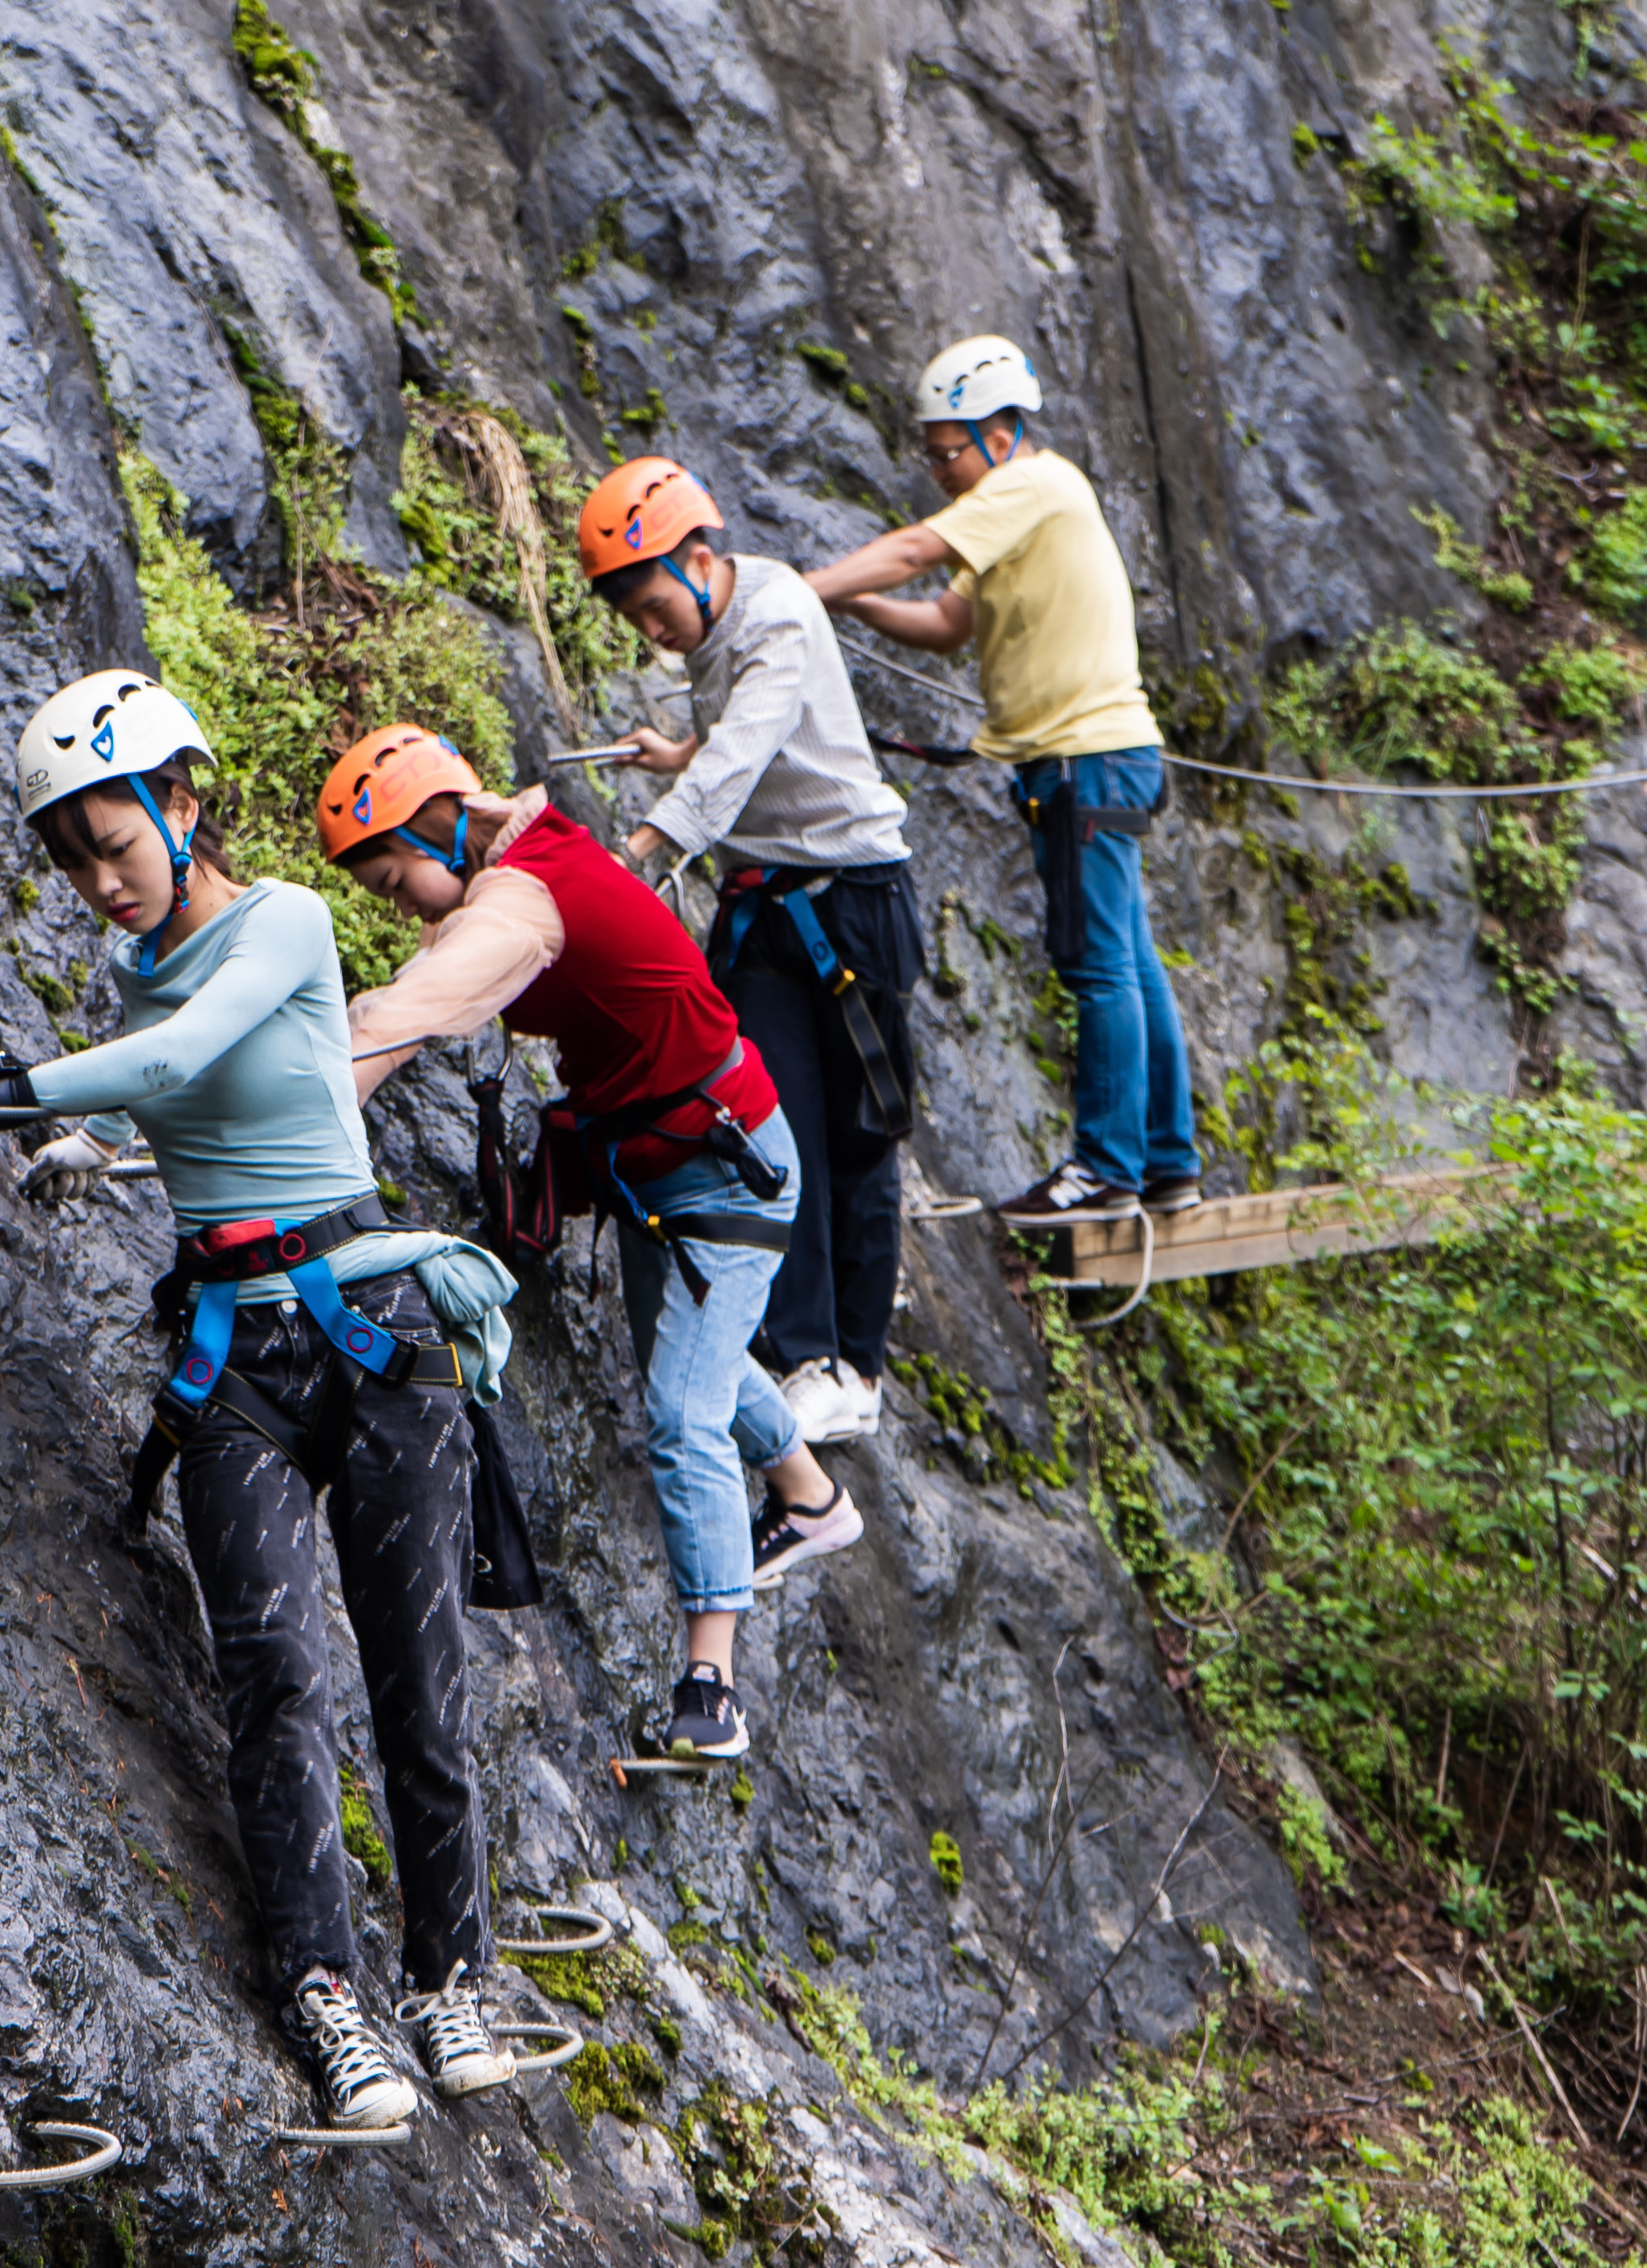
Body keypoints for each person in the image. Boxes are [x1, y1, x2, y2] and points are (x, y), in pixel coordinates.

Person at [0, 670, 516, 2133]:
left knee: (416, 1682)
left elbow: (187, 1055)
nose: (100, 880)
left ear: (183, 800)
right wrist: (78, 1143)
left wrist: (11, 1090)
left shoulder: (284, 919)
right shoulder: (133, 980)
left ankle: (452, 1975)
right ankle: (330, 1995)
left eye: (115, 840)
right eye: (73, 859)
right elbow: (152, 1093)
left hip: (369, 1325)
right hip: (234, 1350)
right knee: (275, 1674)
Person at [315, 723, 862, 1767]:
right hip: (669, 1167)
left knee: (680, 1413)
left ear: (435, 830)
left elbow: (419, 1004)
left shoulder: (521, 898)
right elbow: (416, 979)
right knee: (696, 1362)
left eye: (391, 879)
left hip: (726, 1173)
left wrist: (320, 1104)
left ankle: (712, 1688)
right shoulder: (524, 867)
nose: (395, 903)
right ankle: (810, 1496)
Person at [803, 335, 1201, 1228]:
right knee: (1128, 960)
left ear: (1001, 431)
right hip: (1098, 758)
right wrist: (848, 601)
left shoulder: (1032, 483)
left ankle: (1105, 1168)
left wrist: (801, 589)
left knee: (1097, 966)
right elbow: (948, 621)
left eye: (948, 448)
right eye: (932, 450)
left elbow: (912, 551)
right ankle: (1167, 1161)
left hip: (1082, 761)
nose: (938, 466)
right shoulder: (1018, 508)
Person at [579, 455, 919, 1450]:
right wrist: (673, 753)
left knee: (859, 1140)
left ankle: (856, 1370)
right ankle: (804, 1356)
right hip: (767, 907)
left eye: (651, 606)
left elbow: (748, 745)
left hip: (853, 901)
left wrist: (641, 849)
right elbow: (734, 738)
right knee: (773, 1128)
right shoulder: (717, 627)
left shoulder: (775, 614)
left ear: (698, 557)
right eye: (633, 618)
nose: (650, 631)